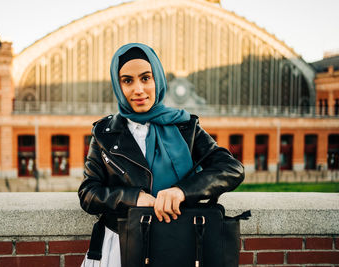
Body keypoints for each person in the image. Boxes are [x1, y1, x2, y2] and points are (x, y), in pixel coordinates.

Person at [78, 43, 244, 267]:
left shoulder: (186, 126)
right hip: (122, 244)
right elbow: (88, 193)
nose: (138, 89)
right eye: (127, 81)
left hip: (179, 241)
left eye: (145, 78)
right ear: (118, 86)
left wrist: (182, 191)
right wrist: (134, 198)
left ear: (157, 78)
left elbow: (231, 169)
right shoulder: (104, 133)